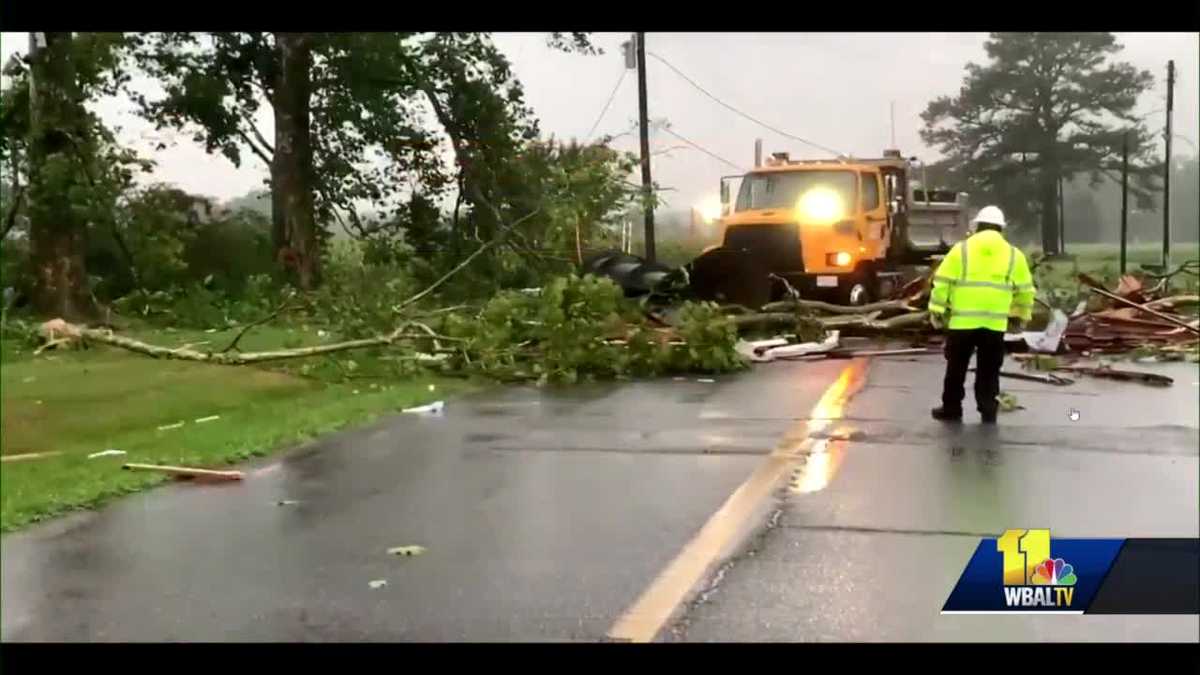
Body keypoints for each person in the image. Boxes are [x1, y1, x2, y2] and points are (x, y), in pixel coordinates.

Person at [927, 205, 1035, 424]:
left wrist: (937, 310)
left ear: (977, 226)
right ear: (1001, 229)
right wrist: (1022, 315)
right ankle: (987, 409)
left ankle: (951, 408)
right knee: (989, 370)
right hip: (994, 324)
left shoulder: (961, 250)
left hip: (962, 322)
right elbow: (1025, 290)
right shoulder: (1014, 255)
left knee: (956, 368)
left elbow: (942, 281)